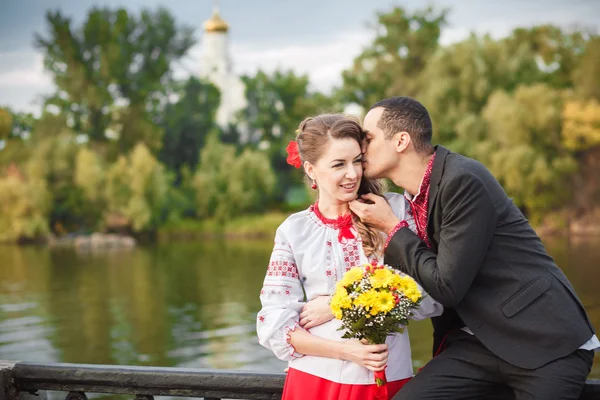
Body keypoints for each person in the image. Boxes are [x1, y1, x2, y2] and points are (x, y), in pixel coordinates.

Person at [344, 96, 599, 399]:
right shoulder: (412, 198)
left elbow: (447, 285)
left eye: (368, 138)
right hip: (479, 343)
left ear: (401, 141)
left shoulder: (461, 180)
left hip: (545, 341)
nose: (361, 149)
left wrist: (391, 228)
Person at [256, 114, 443, 400]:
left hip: (390, 377)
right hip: (316, 380)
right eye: (338, 164)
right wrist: (349, 351)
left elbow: (431, 291)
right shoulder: (294, 230)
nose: (353, 173)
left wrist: (335, 305)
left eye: (357, 161)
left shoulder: (395, 210)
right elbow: (274, 321)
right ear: (311, 169)